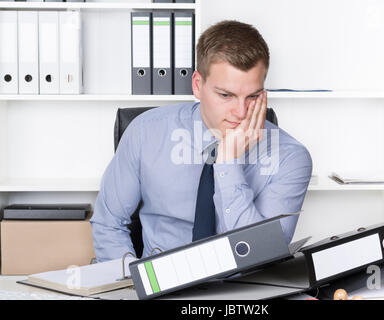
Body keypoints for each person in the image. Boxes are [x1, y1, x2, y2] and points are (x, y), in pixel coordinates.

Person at [90, 20, 312, 262]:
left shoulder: (290, 157)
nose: (240, 112)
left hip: (243, 291)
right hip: (160, 287)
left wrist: (228, 162)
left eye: (252, 97)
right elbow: (108, 223)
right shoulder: (146, 132)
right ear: (197, 85)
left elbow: (259, 253)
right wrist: (133, 284)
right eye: (226, 95)